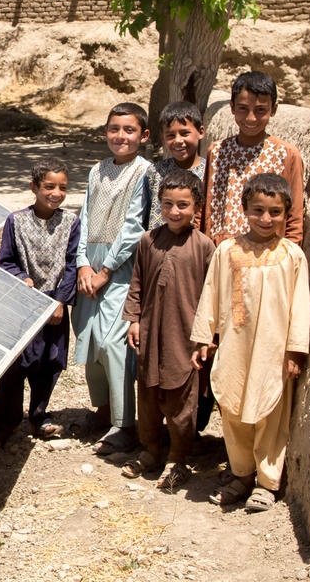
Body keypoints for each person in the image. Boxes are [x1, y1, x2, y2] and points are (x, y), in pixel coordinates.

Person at [191, 173, 310, 512]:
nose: (266, 219)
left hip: (273, 350)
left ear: (286, 214)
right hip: (234, 344)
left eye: (275, 212)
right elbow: (210, 293)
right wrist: (204, 336)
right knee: (232, 405)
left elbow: (301, 305)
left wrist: (294, 349)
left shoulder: (292, 256)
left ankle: (266, 482)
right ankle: (241, 473)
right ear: (245, 209)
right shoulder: (227, 250)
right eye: (258, 210)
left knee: (270, 410)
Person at [121, 169, 215, 490]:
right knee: (147, 397)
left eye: (183, 205)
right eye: (167, 204)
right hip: (150, 335)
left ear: (196, 207)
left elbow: (211, 296)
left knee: (181, 401)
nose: (174, 212)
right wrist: (134, 319)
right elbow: (137, 283)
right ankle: (151, 450)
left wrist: (205, 338)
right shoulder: (149, 241)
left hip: (185, 338)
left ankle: (178, 458)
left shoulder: (204, 246)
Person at [0, 158, 80, 450]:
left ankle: (39, 417)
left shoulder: (71, 222)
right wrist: (21, 278)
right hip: (24, 306)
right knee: (15, 368)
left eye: (63, 187)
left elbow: (72, 264)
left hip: (54, 307)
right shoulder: (16, 221)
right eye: (49, 186)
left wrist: (60, 302)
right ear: (34, 187)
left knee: (49, 364)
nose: (56, 193)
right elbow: (7, 261)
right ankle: (5, 425)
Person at [73, 102, 150, 455]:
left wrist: (105, 271)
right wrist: (83, 265)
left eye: (129, 130)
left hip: (121, 268)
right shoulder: (97, 170)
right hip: (92, 263)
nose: (121, 136)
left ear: (143, 136)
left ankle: (124, 424)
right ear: (105, 132)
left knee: (112, 343)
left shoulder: (143, 173)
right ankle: (102, 413)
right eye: (114, 129)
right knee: (89, 339)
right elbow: (86, 216)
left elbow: (134, 226)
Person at [201, 71, 305, 247]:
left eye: (260, 110)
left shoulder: (286, 155)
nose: (251, 118)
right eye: (243, 108)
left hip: (266, 258)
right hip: (220, 254)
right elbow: (203, 208)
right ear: (232, 107)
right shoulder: (218, 152)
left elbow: (294, 218)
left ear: (274, 109)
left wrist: (286, 258)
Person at [144, 101, 206, 230]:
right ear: (163, 137)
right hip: (156, 247)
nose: (178, 140)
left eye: (184, 133)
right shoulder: (155, 172)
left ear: (200, 132)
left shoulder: (209, 173)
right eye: (171, 135)